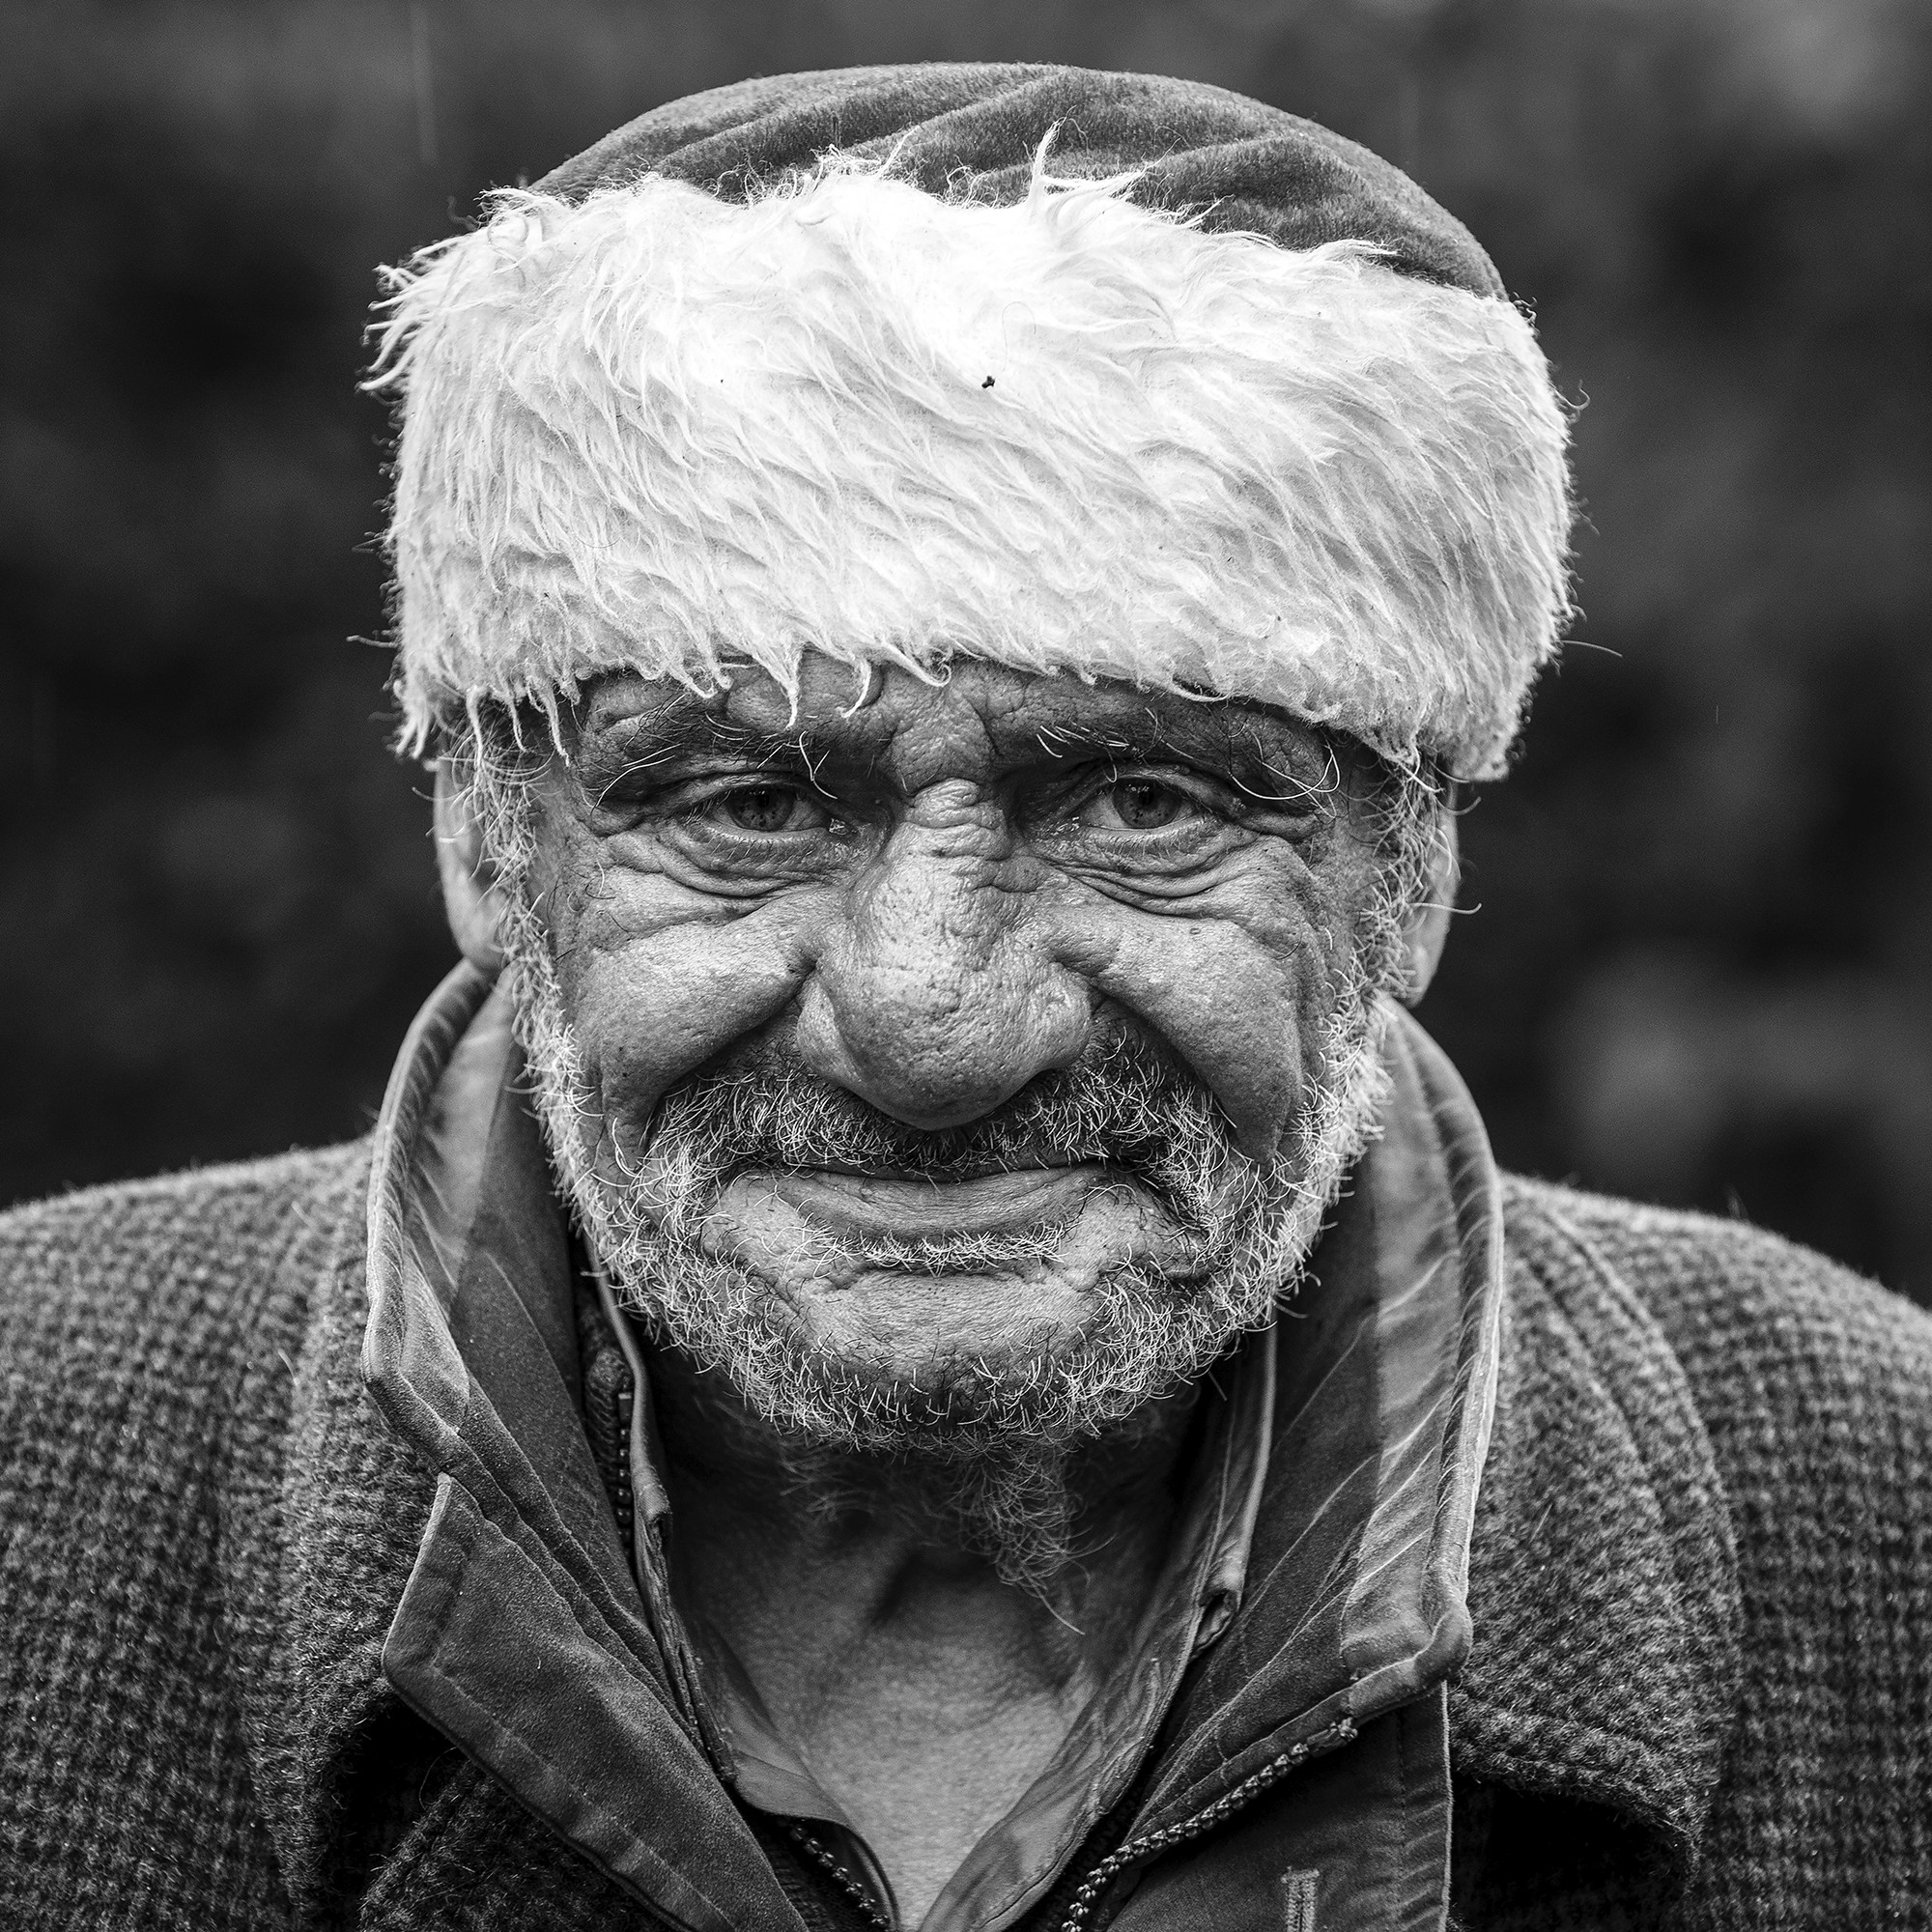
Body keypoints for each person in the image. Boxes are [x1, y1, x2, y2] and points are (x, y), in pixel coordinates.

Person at [2, 63, 1926, 1932]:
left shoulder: (1883, 1524)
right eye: (745, 801)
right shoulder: (32, 1463)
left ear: (1407, 865)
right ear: (491, 848)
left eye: (1141, 799)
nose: (931, 1023)